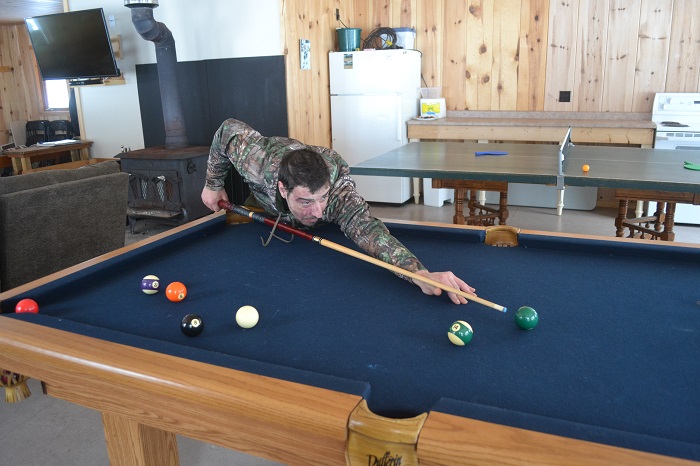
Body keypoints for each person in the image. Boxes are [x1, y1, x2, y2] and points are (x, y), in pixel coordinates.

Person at [201, 119, 476, 304]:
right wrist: (213, 184)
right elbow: (227, 129)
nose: (319, 212)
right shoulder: (256, 160)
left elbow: (369, 230)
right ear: (284, 189)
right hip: (264, 204)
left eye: (322, 198)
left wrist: (420, 275)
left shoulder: (337, 193)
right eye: (307, 202)